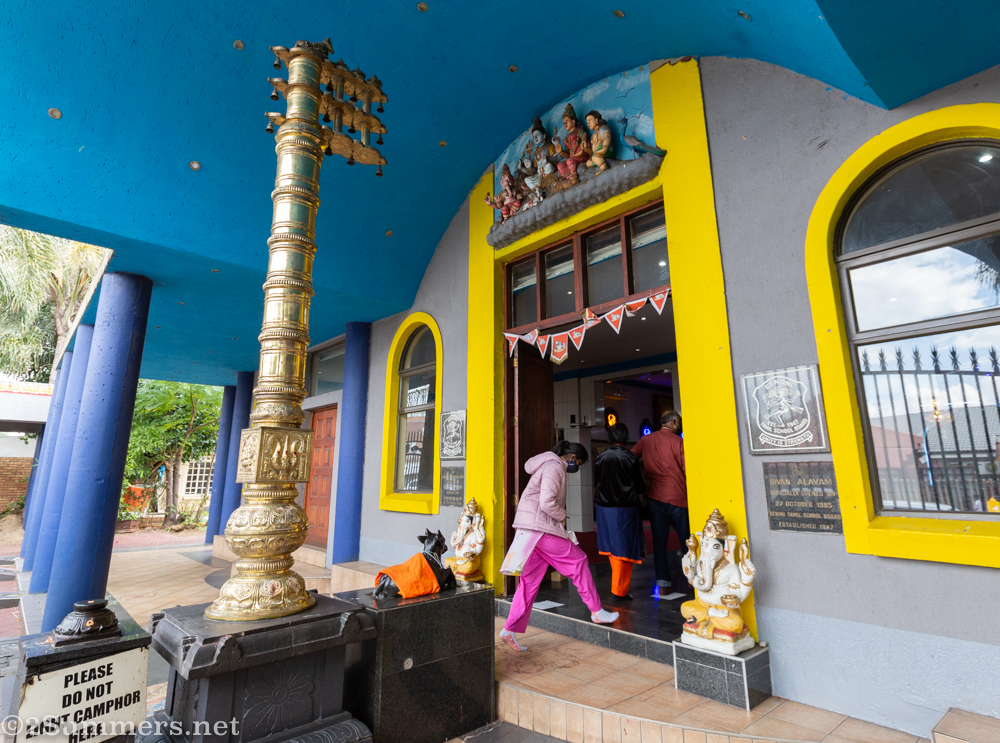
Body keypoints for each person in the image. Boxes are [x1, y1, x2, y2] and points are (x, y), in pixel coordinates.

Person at [499, 440, 619, 652]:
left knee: (529, 582)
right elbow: (546, 502)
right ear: (571, 458)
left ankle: (510, 629)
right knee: (578, 561)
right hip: (541, 528)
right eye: (579, 463)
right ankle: (596, 611)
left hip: (529, 531)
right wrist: (562, 516)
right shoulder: (555, 466)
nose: (577, 468)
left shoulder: (546, 464)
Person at [632, 410, 688, 595]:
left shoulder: (645, 440)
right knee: (687, 542)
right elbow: (686, 469)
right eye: (677, 423)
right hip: (678, 497)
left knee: (659, 543)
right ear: (672, 423)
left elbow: (630, 459)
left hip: (654, 497)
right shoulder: (678, 442)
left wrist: (641, 481)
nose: (678, 426)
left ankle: (663, 584)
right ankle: (692, 579)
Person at [594, 423, 645, 601]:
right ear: (624, 437)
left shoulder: (600, 457)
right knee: (624, 547)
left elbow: (596, 482)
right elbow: (639, 485)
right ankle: (618, 590)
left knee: (610, 547)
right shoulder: (630, 457)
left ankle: (618, 587)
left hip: (604, 508)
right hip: (626, 508)